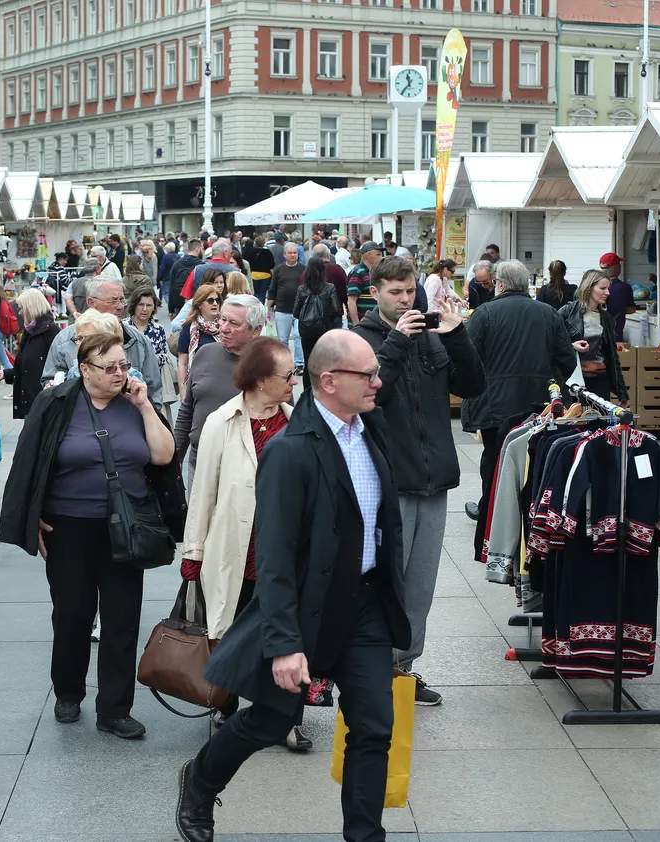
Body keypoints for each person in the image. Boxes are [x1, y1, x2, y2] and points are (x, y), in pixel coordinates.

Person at [176, 329, 411, 842]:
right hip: (305, 611)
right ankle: (200, 779)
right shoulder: (290, 450)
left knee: (373, 727)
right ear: (328, 381)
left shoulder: (371, 431)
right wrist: (285, 644)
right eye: (366, 374)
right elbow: (277, 558)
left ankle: (365, 836)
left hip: (366, 607)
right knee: (267, 721)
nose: (378, 381)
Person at [0, 332, 176, 740]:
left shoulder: (134, 404)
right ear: (84, 369)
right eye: (109, 367)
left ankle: (115, 708)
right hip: (68, 525)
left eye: (123, 365)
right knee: (73, 613)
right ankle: (68, 692)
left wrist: (146, 405)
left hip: (126, 525)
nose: (119, 374)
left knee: (122, 618)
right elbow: (29, 461)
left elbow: (165, 455)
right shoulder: (57, 402)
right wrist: (33, 517)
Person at [352, 255, 486, 706]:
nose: (406, 299)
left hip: (435, 479)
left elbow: (472, 386)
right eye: (395, 292)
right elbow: (369, 394)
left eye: (410, 291)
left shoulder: (431, 334)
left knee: (420, 586)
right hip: (386, 481)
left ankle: (403, 670)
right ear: (376, 292)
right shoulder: (361, 339)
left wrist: (456, 333)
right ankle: (375, 670)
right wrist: (393, 341)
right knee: (385, 581)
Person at [181, 336, 312, 747]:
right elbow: (203, 492)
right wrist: (193, 552)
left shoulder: (299, 422)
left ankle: (288, 718)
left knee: (288, 632)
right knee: (234, 628)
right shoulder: (222, 422)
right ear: (257, 380)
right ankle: (227, 705)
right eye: (286, 375)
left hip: (286, 553)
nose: (294, 381)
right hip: (235, 550)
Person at [460, 261, 576, 561]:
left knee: (495, 466)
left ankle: (489, 536)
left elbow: (468, 357)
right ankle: (533, 529)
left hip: (494, 405)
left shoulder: (484, 313)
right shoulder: (548, 313)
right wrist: (549, 382)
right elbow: (566, 359)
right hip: (538, 405)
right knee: (535, 467)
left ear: (499, 283)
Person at [174, 294, 266, 486]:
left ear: (255, 330)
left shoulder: (269, 366)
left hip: (245, 473)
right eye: (222, 320)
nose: (224, 328)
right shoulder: (205, 353)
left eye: (234, 323)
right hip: (199, 464)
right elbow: (187, 410)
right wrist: (175, 458)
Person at [43, 279, 163, 403]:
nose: (120, 306)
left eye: (122, 300)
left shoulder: (138, 340)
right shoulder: (64, 340)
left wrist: (147, 414)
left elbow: (153, 389)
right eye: (113, 301)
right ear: (91, 302)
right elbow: (50, 380)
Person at [559, 269, 629, 406]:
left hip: (600, 381)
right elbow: (552, 339)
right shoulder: (568, 312)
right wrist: (572, 346)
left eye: (608, 288)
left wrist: (622, 393)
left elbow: (613, 356)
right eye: (603, 288)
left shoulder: (607, 318)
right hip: (573, 380)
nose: (607, 293)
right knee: (575, 423)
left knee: (599, 423)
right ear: (589, 288)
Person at [293, 257, 343, 390]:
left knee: (308, 360)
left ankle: (307, 391)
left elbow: (296, 312)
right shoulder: (329, 288)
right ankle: (323, 389)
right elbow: (336, 309)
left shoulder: (302, 289)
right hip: (324, 329)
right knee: (325, 361)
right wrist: (325, 317)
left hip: (306, 330)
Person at [126, 288, 177, 420]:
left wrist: (150, 359)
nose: (145, 309)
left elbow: (164, 355)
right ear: (134, 305)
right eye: (141, 304)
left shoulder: (158, 329)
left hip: (153, 384)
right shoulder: (124, 327)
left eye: (149, 305)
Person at [9, 288, 59, 419]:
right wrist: (6, 374)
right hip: (31, 400)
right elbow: (25, 364)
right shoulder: (29, 332)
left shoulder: (51, 332)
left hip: (43, 402)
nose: (19, 313)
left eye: (20, 308)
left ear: (30, 308)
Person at [265, 242, 307, 374]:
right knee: (282, 339)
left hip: (300, 310)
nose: (293, 255)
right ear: (284, 255)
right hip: (282, 309)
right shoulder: (278, 270)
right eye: (290, 253)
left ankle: (299, 364)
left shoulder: (304, 270)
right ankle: (285, 363)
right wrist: (267, 308)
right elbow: (273, 289)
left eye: (295, 253)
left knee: (298, 336)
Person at [178, 285, 223, 397]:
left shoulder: (225, 326)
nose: (215, 303)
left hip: (223, 384)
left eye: (217, 300)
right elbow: (182, 363)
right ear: (199, 304)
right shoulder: (189, 328)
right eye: (210, 300)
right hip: (199, 388)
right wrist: (183, 394)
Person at [171, 266, 229, 332]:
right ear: (207, 283)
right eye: (216, 282)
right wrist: (198, 327)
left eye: (221, 282)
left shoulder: (227, 302)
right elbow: (175, 325)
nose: (220, 285)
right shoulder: (193, 302)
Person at [346, 241, 383, 325]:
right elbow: (351, 300)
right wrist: (356, 324)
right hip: (362, 323)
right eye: (378, 255)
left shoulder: (374, 272)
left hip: (373, 322)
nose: (381, 257)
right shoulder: (358, 272)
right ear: (368, 255)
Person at [601, 252, 635, 336]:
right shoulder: (624, 287)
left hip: (594, 334)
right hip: (615, 334)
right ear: (617, 267)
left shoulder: (593, 286)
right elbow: (631, 309)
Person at [168, 238, 205, 316]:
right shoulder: (201, 266)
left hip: (178, 300)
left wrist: (171, 309)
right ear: (197, 250)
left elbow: (171, 286)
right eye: (202, 249)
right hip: (195, 302)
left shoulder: (177, 264)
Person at [244, 234, 276, 302]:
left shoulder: (251, 252)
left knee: (254, 293)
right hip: (266, 275)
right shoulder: (267, 252)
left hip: (254, 275)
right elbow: (272, 264)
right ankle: (261, 307)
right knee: (262, 293)